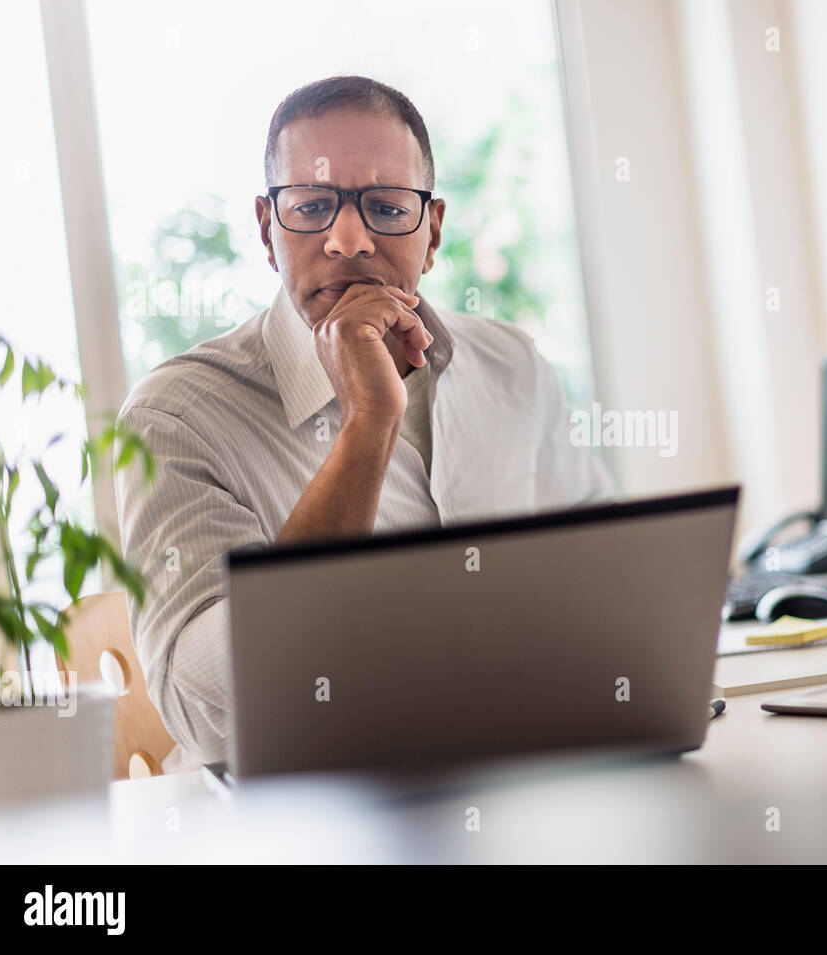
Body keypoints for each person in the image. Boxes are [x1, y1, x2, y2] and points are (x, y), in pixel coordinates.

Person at [115, 75, 614, 769]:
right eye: (313, 206)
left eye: (384, 207)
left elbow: (601, 575)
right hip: (298, 809)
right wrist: (366, 428)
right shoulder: (176, 417)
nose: (347, 241)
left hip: (508, 773)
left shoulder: (513, 366)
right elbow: (206, 714)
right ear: (268, 229)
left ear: (432, 231)